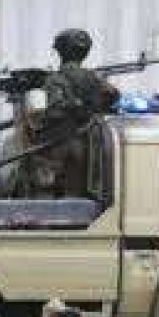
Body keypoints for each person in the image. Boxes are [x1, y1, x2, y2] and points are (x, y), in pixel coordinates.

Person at [31, 28, 119, 196]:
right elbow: (114, 95)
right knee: (79, 193)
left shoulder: (55, 79)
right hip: (88, 144)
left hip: (58, 145)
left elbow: (55, 111)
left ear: (61, 52)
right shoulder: (95, 78)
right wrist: (93, 107)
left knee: (45, 192)